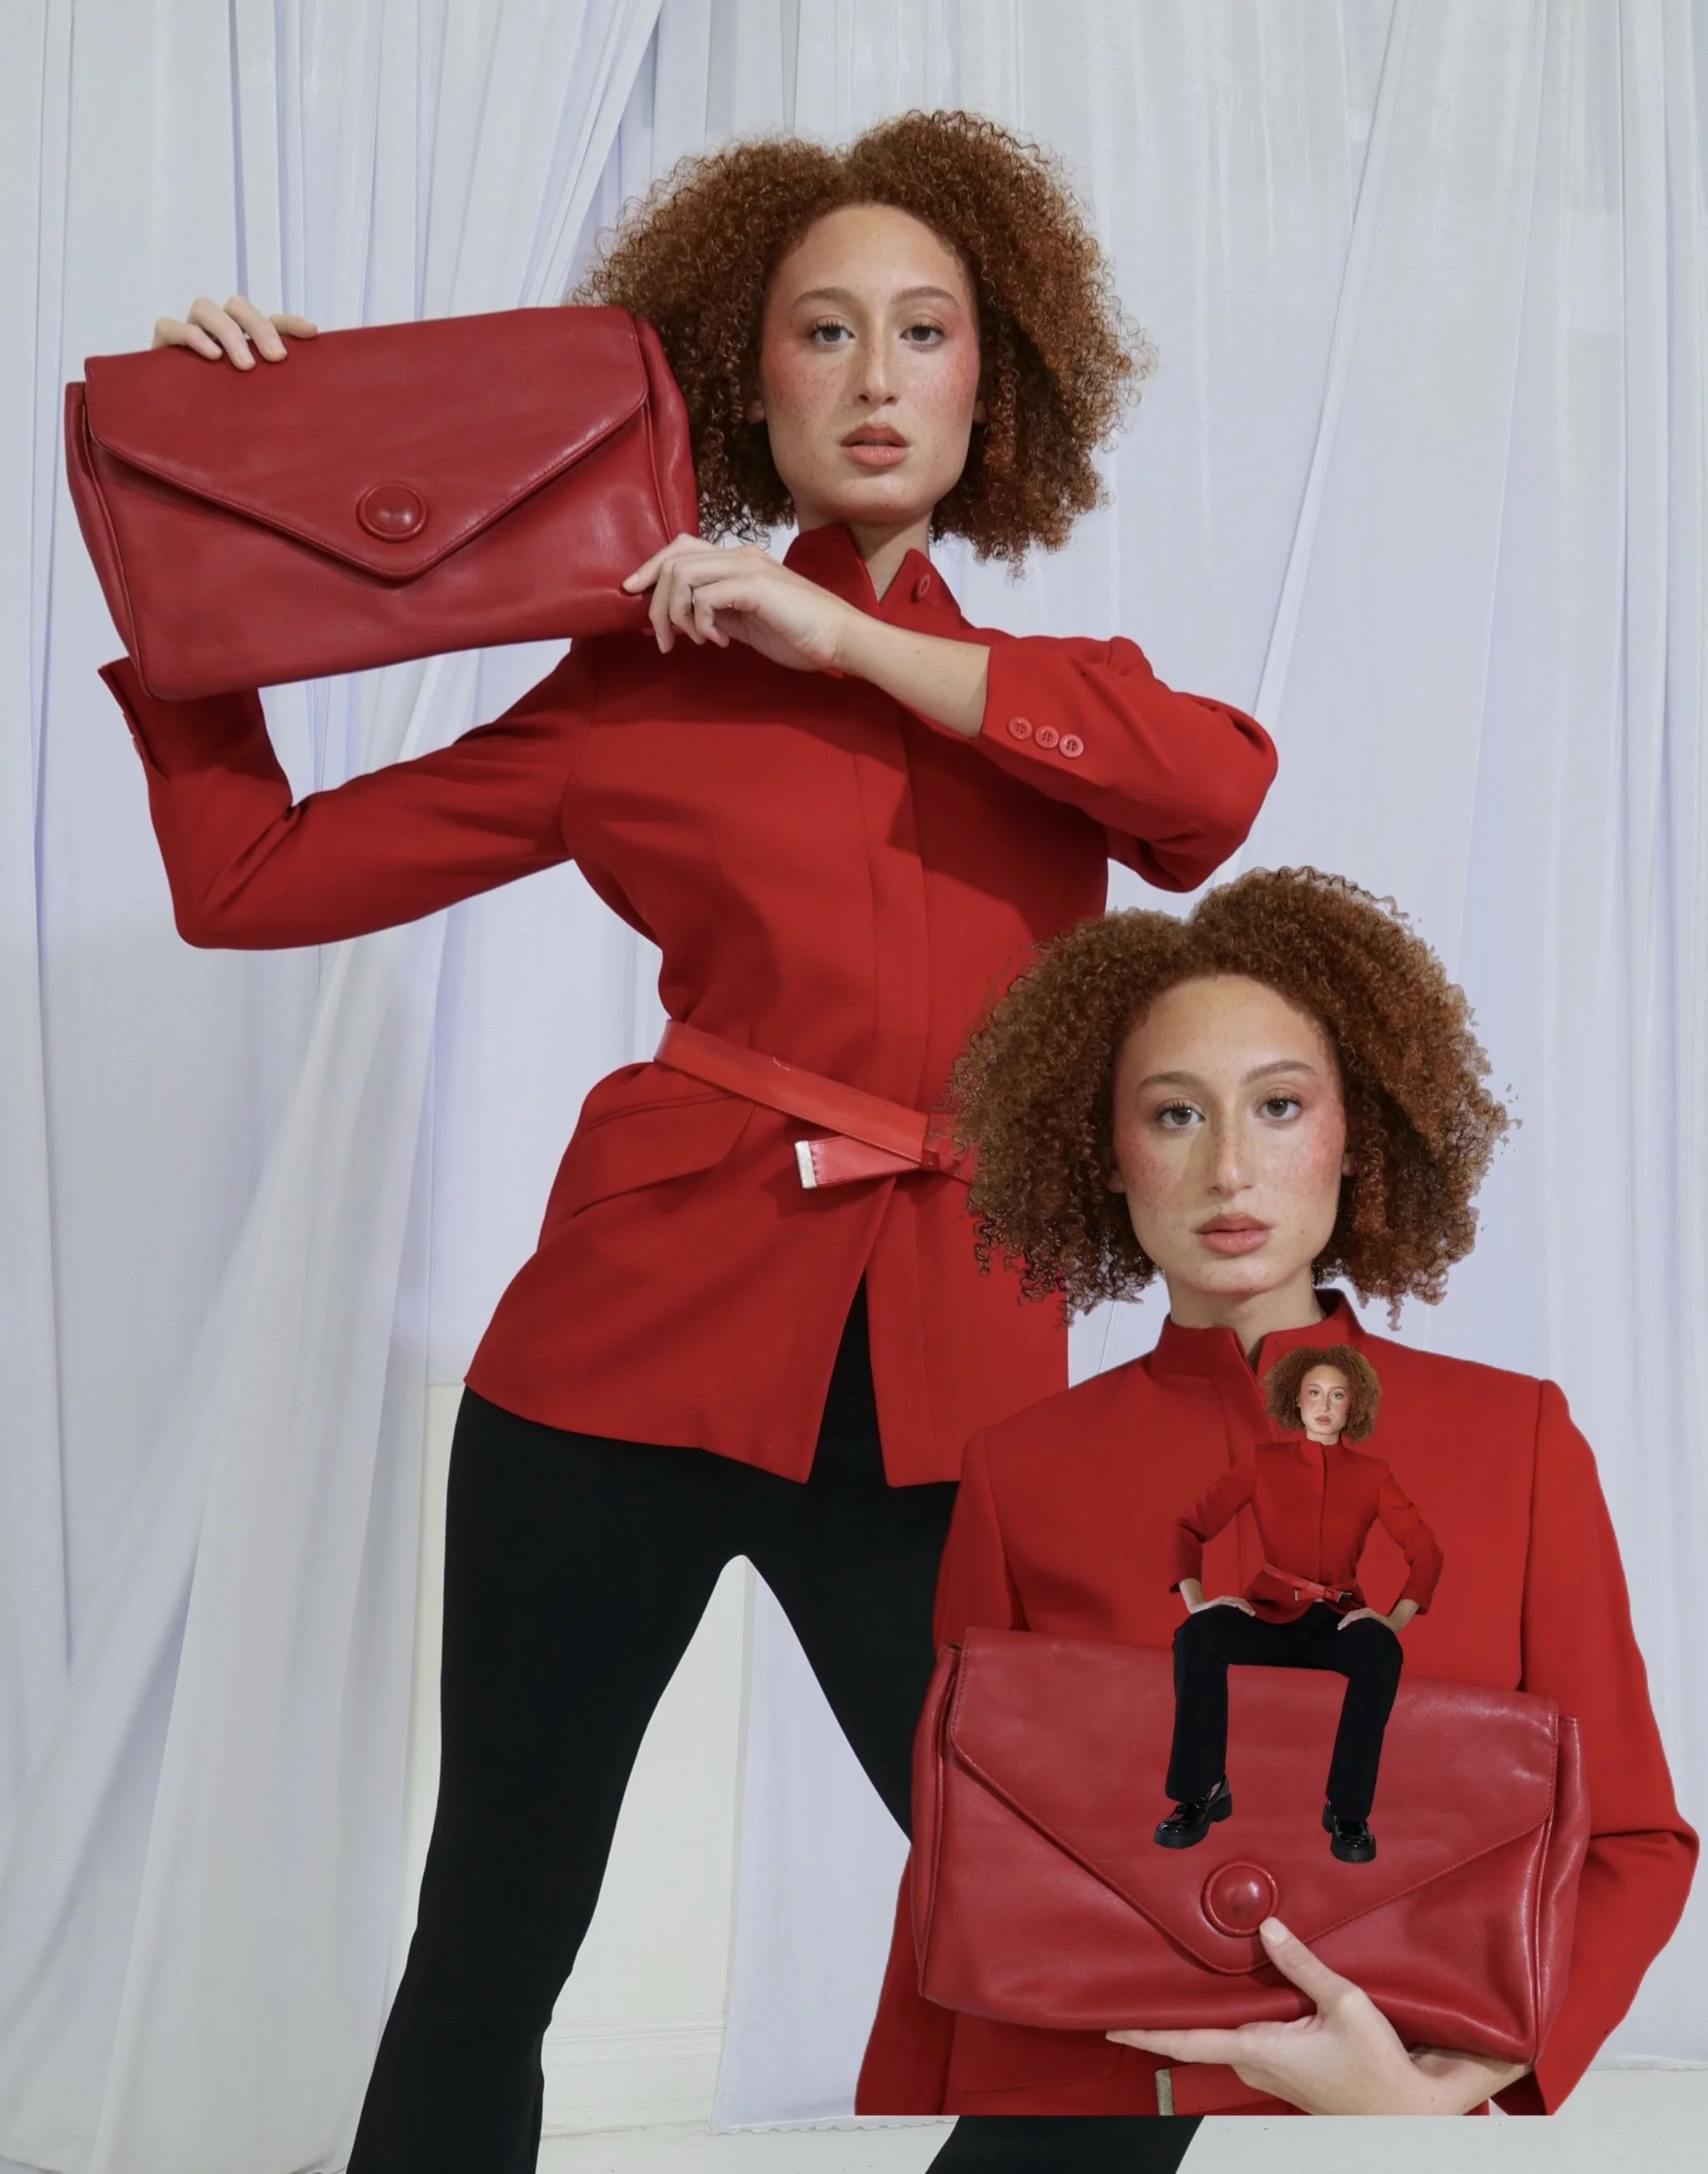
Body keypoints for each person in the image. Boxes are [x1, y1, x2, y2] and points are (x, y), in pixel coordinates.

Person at [126, 113, 1276, 2174]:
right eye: (815, 333)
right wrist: (224, 501)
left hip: (946, 1401)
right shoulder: (628, 690)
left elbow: (1207, 798)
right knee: (494, 1939)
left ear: (987, 381)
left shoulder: (1054, 696)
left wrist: (850, 640)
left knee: (1118, 1980)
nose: (868, 374)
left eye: (919, 331)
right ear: (743, 386)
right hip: (612, 1379)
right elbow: (252, 879)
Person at [857, 865, 1695, 2135]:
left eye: (1279, 1105)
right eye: (1174, 1114)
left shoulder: (1512, 1438)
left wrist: (1443, 2092)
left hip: (1382, 2122)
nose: (1229, 1168)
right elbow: (966, 1850)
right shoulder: (1018, 1470)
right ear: (1105, 1150)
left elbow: (1632, 1840)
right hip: (1081, 2118)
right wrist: (902, 2120)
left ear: (1353, 1134)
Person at [1157, 1344, 1442, 1863]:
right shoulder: (1263, 1462)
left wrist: (1394, 1619)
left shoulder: (1373, 1474)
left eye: (1337, 1395)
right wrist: (1197, 1603)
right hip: (1266, 1614)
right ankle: (1201, 1792)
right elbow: (1188, 1528)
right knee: (1197, 1637)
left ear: (1353, 1406)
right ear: (1297, 1399)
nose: (1324, 1404)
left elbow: (1426, 1553)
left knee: (1381, 1653)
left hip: (1336, 1620)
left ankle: (1348, 1811)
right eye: (1314, 1393)